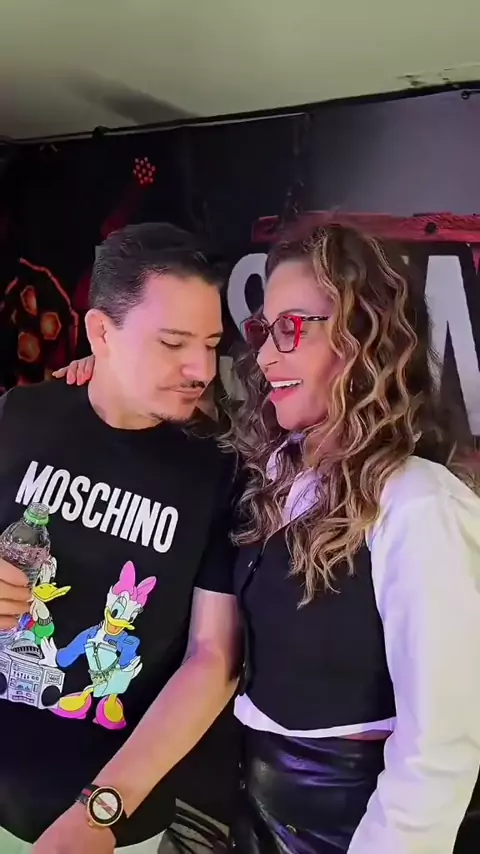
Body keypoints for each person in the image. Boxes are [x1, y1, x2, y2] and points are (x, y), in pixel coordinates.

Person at [58, 222, 480, 853]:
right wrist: (105, 372)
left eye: (292, 328)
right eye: (263, 331)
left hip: (352, 822)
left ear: (363, 334)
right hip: (249, 805)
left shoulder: (420, 504)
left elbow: (440, 748)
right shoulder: (274, 473)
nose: (263, 357)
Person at [0, 222, 241, 854]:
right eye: (173, 343)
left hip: (114, 816)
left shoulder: (219, 471)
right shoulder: (21, 417)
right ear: (102, 333)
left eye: (212, 344)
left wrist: (100, 811)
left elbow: (214, 658)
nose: (201, 369)